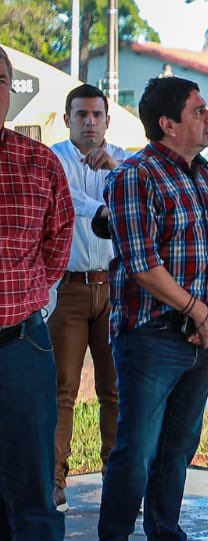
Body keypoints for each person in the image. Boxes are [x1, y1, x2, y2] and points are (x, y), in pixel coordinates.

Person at [91, 77, 208, 541]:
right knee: (134, 454)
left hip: (201, 337)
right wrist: (198, 311)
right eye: (200, 111)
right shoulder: (135, 177)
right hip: (150, 337)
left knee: (177, 454)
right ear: (168, 124)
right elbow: (141, 264)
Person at [0, 46, 97, 541]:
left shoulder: (36, 163)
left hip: (18, 346)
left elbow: (57, 247)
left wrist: (21, 299)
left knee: (35, 494)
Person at [47, 84, 129, 510]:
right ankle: (55, 483)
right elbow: (67, 198)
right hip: (70, 288)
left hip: (115, 285)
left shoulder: (125, 160)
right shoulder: (55, 159)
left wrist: (114, 170)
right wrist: (101, 208)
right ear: (67, 119)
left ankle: (117, 486)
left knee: (116, 390)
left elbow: (137, 195)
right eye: (81, 115)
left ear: (107, 120)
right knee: (62, 388)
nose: (90, 122)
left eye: (97, 114)